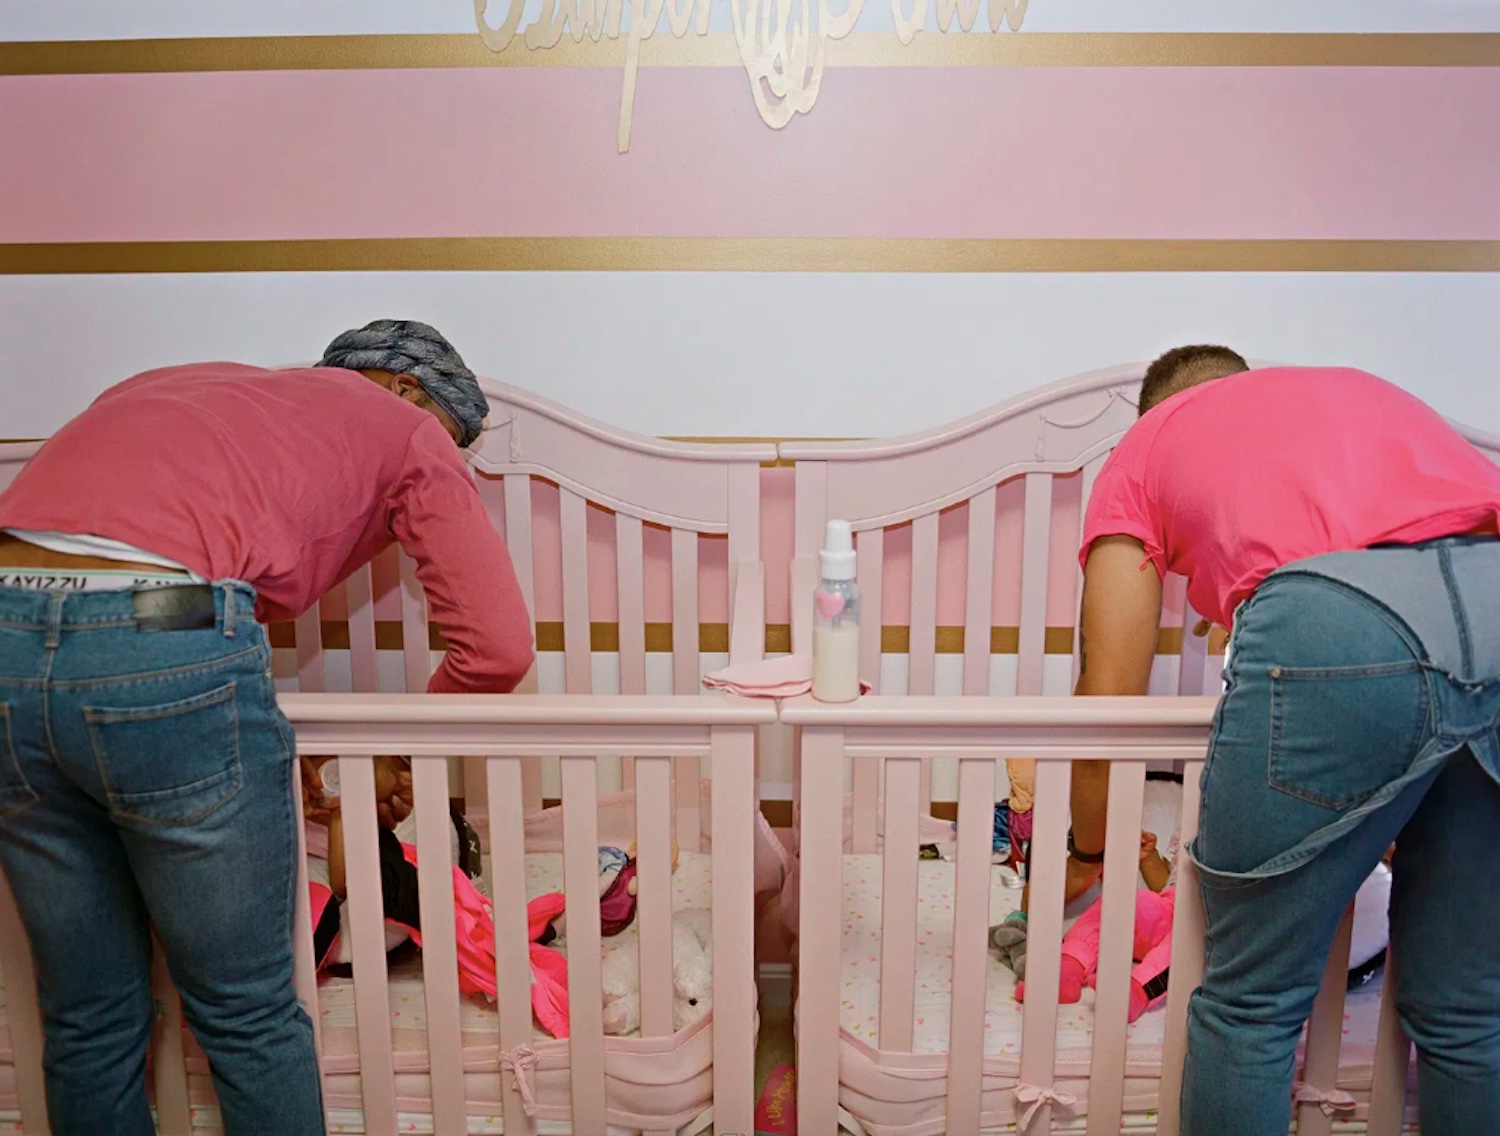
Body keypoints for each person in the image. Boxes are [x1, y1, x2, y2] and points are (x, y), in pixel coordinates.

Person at [0, 320, 535, 1136]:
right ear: (406, 391)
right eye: (453, 445)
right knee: (245, 1015)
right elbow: (498, 650)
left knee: (86, 1015)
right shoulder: (402, 428)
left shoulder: (178, 382)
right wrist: (387, 752)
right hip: (160, 621)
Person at [1063, 345, 1500, 1136]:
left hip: (1334, 623)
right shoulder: (1352, 388)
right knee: (1470, 1011)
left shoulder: (1146, 449)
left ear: (1155, 412)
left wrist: (1088, 851)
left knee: (1250, 1008)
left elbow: (1109, 699)